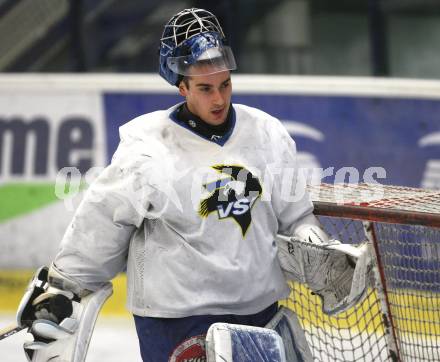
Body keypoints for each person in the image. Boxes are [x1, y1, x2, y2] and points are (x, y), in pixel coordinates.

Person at [17, 8, 370, 362]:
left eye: (224, 84)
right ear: (181, 86)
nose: (218, 99)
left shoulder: (267, 133)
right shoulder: (148, 150)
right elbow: (101, 227)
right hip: (179, 322)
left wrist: (316, 246)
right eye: (204, 88)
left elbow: (295, 217)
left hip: (259, 314)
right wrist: (62, 290)